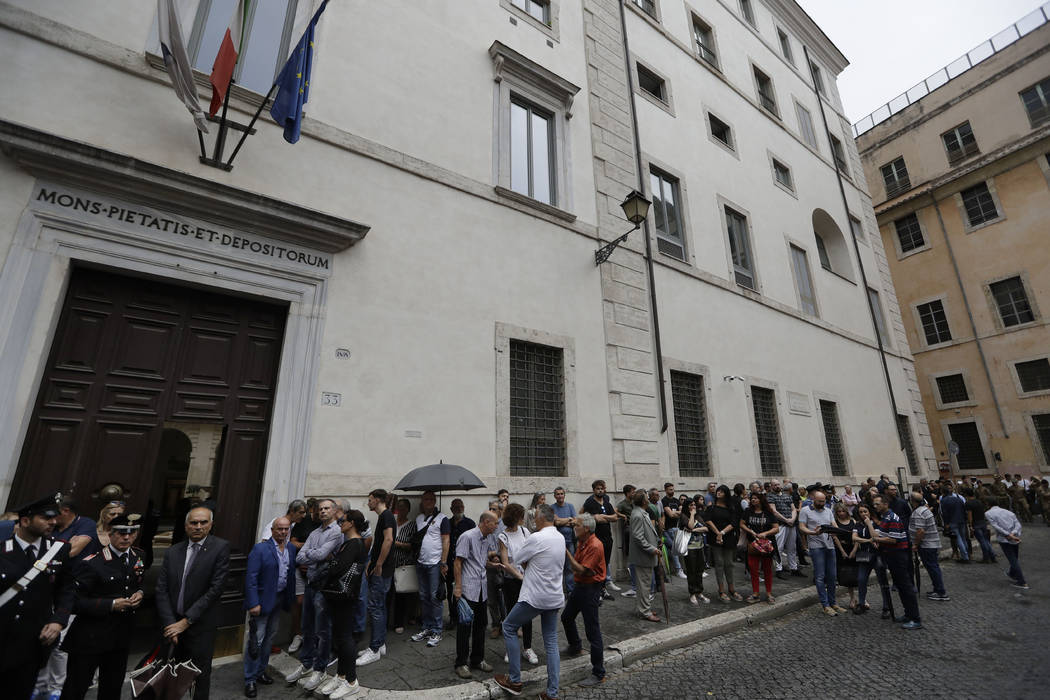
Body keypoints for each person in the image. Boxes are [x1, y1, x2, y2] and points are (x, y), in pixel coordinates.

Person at [59, 513, 144, 700]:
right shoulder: (93, 563)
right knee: (76, 688)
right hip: (90, 637)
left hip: (120, 636)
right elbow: (74, 602)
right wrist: (111, 604)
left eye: (131, 533)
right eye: (121, 533)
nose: (126, 537)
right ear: (110, 534)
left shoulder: (138, 556)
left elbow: (136, 583)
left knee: (111, 689)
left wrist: (140, 594)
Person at [1, 494, 74, 700]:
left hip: (32, 642)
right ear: (25, 521)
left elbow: (66, 590)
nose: (53, 522)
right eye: (46, 518)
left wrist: (58, 621)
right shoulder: (3, 550)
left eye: (54, 517)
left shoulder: (58, 550)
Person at [155, 506, 231, 700]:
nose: (198, 527)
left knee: (199, 676)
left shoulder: (220, 548)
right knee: (169, 675)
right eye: (193, 522)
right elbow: (161, 589)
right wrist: (170, 624)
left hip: (200, 626)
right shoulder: (173, 551)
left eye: (203, 522)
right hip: (172, 626)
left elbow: (215, 590)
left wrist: (186, 622)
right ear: (186, 525)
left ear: (211, 524)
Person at [494, 504, 565, 700]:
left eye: (535, 517)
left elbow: (518, 559)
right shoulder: (559, 537)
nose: (533, 520)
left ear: (542, 518)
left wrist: (530, 563)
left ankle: (515, 681)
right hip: (555, 596)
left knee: (508, 626)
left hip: (535, 595)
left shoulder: (536, 537)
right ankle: (552, 693)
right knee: (551, 642)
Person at [286, 498, 341, 687]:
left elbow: (316, 555)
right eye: (320, 509)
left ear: (334, 511)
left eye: (327, 508)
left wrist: (313, 553)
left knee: (322, 630)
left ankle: (320, 669)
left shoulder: (336, 532)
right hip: (310, 583)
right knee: (307, 626)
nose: (323, 511)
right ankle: (306, 664)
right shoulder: (315, 532)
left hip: (324, 587)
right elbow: (301, 556)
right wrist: (316, 554)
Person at [242, 516, 296, 697]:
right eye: (279, 529)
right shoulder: (260, 549)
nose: (283, 532)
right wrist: (253, 602)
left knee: (268, 639)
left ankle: (260, 672)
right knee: (255, 641)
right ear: (272, 530)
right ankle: (249, 679)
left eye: (286, 529)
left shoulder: (290, 549)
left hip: (279, 600)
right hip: (262, 602)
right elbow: (251, 578)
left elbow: (290, 575)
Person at [560, 513, 606, 688]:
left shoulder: (595, 545)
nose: (573, 527)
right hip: (581, 587)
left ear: (586, 528)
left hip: (590, 590)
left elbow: (579, 569)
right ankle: (575, 646)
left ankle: (599, 673)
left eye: (576, 525)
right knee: (566, 617)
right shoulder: (583, 541)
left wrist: (566, 553)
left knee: (592, 630)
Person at [453, 511, 499, 679]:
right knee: (465, 626)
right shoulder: (467, 537)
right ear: (486, 522)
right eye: (495, 523)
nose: (496, 526)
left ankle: (477, 659)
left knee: (481, 625)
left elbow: (479, 561)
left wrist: (494, 565)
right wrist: (458, 588)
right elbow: (458, 562)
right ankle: (461, 663)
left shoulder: (486, 539)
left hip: (481, 588)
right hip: (468, 588)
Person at [866, 495, 922, 629]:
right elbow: (876, 535)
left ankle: (916, 618)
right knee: (901, 587)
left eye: (877, 504)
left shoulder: (893, 518)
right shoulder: (885, 518)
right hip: (891, 555)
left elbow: (893, 539)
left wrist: (877, 540)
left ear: (885, 504)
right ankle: (908, 614)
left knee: (906, 586)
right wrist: (869, 524)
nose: (875, 507)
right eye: (874, 504)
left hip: (898, 555)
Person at [497, 504, 538, 665]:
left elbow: (531, 553)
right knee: (512, 614)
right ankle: (510, 648)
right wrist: (519, 576)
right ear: (516, 517)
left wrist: (527, 575)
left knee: (527, 614)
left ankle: (527, 648)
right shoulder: (503, 537)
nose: (523, 519)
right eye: (521, 516)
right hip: (511, 581)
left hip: (526, 578)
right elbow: (505, 563)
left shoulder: (524, 531)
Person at [359, 489, 396, 666]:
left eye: (370, 499)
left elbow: (388, 540)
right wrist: (371, 562)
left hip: (382, 570)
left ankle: (374, 649)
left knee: (375, 608)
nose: (368, 503)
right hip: (378, 568)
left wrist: (379, 564)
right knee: (379, 607)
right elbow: (380, 542)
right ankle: (379, 644)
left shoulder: (387, 516)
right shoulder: (384, 517)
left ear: (379, 500)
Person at [412, 490, 449, 646]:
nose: (428, 502)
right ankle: (426, 627)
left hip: (435, 563)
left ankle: (437, 630)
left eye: (431, 499)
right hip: (421, 562)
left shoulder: (443, 518)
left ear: (435, 501)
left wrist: (444, 562)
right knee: (423, 596)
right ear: (422, 501)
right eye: (425, 499)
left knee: (435, 598)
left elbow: (446, 541)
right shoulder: (419, 518)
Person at [798, 489, 841, 615]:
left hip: (830, 545)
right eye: (819, 501)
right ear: (813, 500)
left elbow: (834, 524)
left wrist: (836, 531)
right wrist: (813, 532)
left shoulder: (828, 510)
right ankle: (825, 604)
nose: (822, 503)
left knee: (832, 576)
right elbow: (801, 527)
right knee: (820, 576)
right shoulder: (805, 511)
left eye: (823, 501)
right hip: (816, 546)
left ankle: (833, 602)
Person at [581, 480, 621, 599]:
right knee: (596, 565)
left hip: (607, 538)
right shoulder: (590, 503)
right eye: (598, 489)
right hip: (596, 540)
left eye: (602, 488)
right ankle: (595, 591)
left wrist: (604, 517)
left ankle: (603, 589)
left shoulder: (607, 503)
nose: (600, 491)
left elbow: (614, 517)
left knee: (605, 564)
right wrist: (597, 518)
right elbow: (587, 517)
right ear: (594, 490)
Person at [287, 499, 318, 654]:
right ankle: (297, 634)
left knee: (315, 603)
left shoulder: (329, 525)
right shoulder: (303, 522)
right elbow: (292, 542)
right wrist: (309, 548)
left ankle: (311, 635)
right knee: (298, 602)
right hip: (300, 567)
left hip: (317, 569)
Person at [907, 491, 949, 603]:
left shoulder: (919, 513)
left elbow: (920, 531)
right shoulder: (925, 510)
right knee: (933, 567)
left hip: (926, 545)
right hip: (930, 544)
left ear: (912, 501)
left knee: (932, 568)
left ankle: (940, 592)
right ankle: (937, 589)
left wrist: (915, 544)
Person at [704, 485, 742, 603]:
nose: (718, 493)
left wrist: (722, 532)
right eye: (717, 491)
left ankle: (732, 589)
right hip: (715, 539)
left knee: (729, 563)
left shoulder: (731, 508)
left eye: (721, 491)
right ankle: (721, 590)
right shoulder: (711, 507)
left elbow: (734, 522)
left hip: (728, 537)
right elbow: (708, 520)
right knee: (719, 563)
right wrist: (717, 533)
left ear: (726, 493)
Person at [628, 490, 662, 621]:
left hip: (646, 556)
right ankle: (645, 611)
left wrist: (657, 541)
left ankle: (644, 608)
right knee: (644, 585)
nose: (648, 499)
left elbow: (648, 532)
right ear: (643, 501)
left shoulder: (642, 512)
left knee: (645, 584)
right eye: (647, 498)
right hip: (643, 557)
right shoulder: (637, 514)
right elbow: (638, 537)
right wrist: (651, 549)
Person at [739, 492, 779, 604]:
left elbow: (776, 528)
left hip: (766, 544)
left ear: (761, 500)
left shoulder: (768, 512)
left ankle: (769, 593)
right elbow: (742, 524)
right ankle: (756, 593)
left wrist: (765, 533)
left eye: (755, 498)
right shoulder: (748, 511)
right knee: (753, 569)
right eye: (752, 498)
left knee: (767, 569)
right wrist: (750, 531)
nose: (753, 500)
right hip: (753, 544)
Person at [985, 498, 1028, 589]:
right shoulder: (1008, 512)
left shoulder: (988, 513)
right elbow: (1018, 524)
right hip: (1014, 537)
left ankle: (1022, 582)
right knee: (1014, 557)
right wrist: (1013, 533)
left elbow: (996, 527)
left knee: (1013, 560)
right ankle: (1012, 574)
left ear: (988, 504)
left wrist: (1008, 534)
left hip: (1005, 539)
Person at [389, 498, 417, 636]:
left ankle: (399, 622)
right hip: (389, 564)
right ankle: (388, 621)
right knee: (388, 593)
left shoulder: (412, 525)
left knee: (402, 595)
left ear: (408, 510)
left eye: (404, 508)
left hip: (403, 564)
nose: (401, 510)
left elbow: (413, 545)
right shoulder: (392, 522)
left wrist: (398, 544)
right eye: (399, 507)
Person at [446, 499, 475, 626]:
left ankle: (463, 614)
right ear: (451, 509)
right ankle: (453, 616)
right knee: (450, 591)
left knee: (462, 590)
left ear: (464, 507)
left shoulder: (470, 523)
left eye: (460, 506)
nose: (458, 509)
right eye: (456, 507)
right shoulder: (447, 523)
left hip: (464, 564)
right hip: (449, 562)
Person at [767, 479, 800, 579]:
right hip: (780, 525)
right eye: (775, 485)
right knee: (779, 548)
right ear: (771, 486)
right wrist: (786, 520)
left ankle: (793, 568)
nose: (777, 486)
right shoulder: (770, 496)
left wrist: (793, 519)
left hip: (791, 524)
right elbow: (774, 511)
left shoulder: (787, 496)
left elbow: (793, 509)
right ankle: (778, 569)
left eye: (778, 484)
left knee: (792, 547)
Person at [679, 498, 710, 605]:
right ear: (687, 507)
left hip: (699, 547)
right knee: (691, 570)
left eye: (694, 505)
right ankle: (692, 593)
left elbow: (706, 529)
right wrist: (692, 515)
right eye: (691, 505)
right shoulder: (683, 516)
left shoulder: (699, 516)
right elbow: (690, 525)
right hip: (689, 548)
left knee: (699, 570)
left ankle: (699, 592)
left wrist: (694, 530)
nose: (694, 507)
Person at [830, 504, 858, 609]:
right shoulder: (835, 523)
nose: (841, 513)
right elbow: (835, 538)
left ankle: (863, 598)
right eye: (839, 512)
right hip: (842, 550)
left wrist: (855, 550)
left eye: (843, 511)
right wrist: (842, 551)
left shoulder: (853, 521)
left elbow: (857, 536)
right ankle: (852, 598)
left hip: (854, 548)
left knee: (858, 574)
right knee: (848, 576)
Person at [614, 485, 638, 598]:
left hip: (637, 529)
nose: (634, 494)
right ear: (627, 493)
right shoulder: (623, 503)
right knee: (630, 555)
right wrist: (622, 515)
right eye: (632, 492)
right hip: (630, 529)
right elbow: (615, 511)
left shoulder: (636, 502)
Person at [963, 487, 997, 563]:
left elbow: (970, 516)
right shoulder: (979, 501)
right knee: (986, 540)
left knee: (982, 541)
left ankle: (986, 558)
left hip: (976, 523)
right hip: (982, 522)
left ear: (966, 494)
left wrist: (970, 526)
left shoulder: (968, 503)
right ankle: (992, 556)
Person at [660, 483, 687, 580]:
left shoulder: (676, 500)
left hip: (677, 528)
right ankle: (678, 570)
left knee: (681, 549)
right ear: (666, 490)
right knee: (674, 549)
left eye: (673, 489)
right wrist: (676, 513)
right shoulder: (664, 501)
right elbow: (670, 515)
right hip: (668, 529)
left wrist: (674, 512)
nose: (672, 491)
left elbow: (682, 512)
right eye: (670, 489)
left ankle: (683, 569)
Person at [940, 482, 969, 563]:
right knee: (963, 538)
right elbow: (964, 510)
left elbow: (944, 513)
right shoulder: (958, 499)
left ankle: (965, 557)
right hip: (962, 520)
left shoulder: (944, 501)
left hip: (953, 521)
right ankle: (967, 554)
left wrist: (946, 524)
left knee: (958, 539)